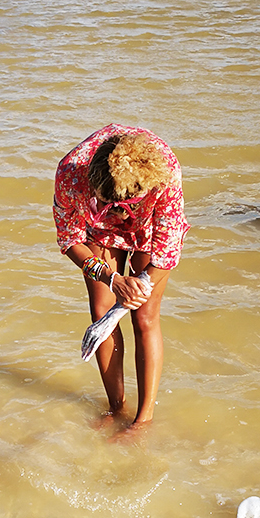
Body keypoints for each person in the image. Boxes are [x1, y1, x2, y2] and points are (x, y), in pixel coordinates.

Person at [53, 125, 189, 431]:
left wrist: (128, 300)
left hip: (148, 228)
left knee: (144, 317)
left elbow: (167, 252)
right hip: (98, 234)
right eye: (102, 201)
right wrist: (113, 280)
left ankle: (143, 422)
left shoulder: (165, 175)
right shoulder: (70, 173)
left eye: (114, 207)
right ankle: (116, 407)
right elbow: (68, 238)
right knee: (101, 309)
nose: (107, 211)